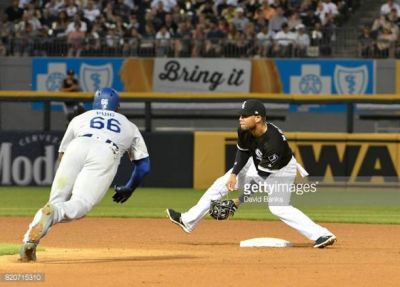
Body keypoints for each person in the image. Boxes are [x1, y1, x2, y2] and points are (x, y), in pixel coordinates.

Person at [166, 99, 336, 248]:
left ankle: (322, 234)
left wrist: (238, 201)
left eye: (245, 115)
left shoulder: (273, 143)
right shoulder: (244, 129)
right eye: (240, 115)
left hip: (281, 170)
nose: (240, 118)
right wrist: (234, 173)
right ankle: (187, 220)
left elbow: (259, 179)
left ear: (258, 118)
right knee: (222, 183)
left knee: (279, 208)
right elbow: (243, 151)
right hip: (256, 160)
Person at [19, 87, 151, 262]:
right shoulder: (129, 125)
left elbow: (62, 155)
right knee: (81, 203)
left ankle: (28, 241)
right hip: (105, 151)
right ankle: (55, 211)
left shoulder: (80, 118)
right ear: (117, 107)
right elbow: (143, 166)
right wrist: (130, 187)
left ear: (94, 104)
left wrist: (67, 176)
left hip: (77, 147)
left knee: (54, 202)